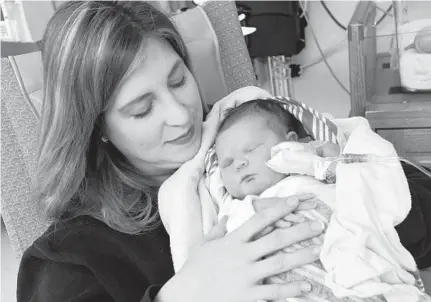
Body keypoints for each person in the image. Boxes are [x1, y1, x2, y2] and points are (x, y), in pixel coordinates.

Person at [16, 2, 431, 302]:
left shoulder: (253, 126)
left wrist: (348, 187)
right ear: (97, 129)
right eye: (142, 109)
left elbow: (416, 205)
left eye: (178, 81)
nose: (181, 116)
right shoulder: (69, 261)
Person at [158, 98, 431, 301]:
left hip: (351, 270)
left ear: (290, 142)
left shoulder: (317, 169)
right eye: (227, 163)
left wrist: (337, 166)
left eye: (251, 149)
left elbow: (376, 190)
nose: (239, 163)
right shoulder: (233, 209)